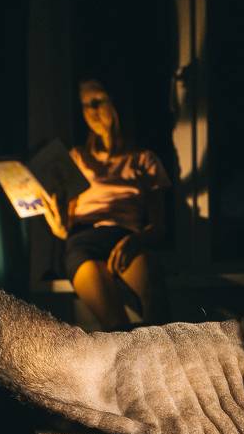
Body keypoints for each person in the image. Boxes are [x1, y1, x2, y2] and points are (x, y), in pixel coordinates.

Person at [41, 79, 170, 330]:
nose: (91, 111)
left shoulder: (144, 160)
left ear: (116, 103)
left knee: (157, 313)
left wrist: (136, 240)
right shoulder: (77, 158)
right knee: (115, 326)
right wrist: (57, 223)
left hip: (124, 238)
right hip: (83, 240)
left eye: (97, 102)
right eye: (85, 105)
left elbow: (159, 226)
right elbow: (64, 228)